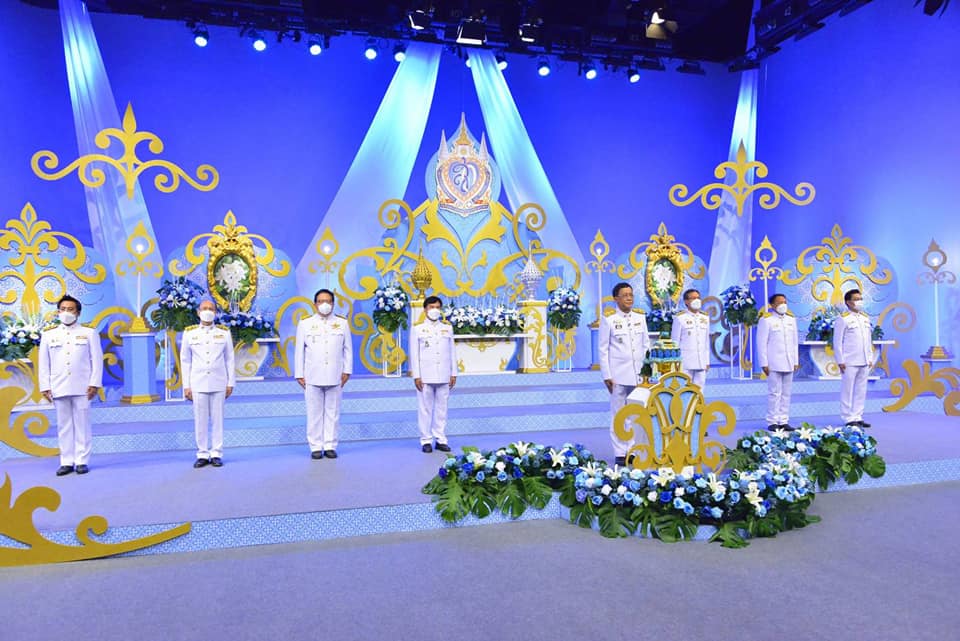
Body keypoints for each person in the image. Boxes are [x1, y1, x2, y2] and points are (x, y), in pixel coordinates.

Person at [38, 295, 103, 476]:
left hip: (83, 386)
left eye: (70, 309)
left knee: (82, 424)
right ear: (58, 311)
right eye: (63, 309)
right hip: (58, 386)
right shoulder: (48, 334)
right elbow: (44, 363)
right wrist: (45, 386)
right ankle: (66, 461)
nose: (66, 312)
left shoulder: (89, 333)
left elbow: (97, 360)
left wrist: (94, 383)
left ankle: (81, 460)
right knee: (63, 425)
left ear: (78, 313)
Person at [295, 289, 352, 459]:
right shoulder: (305, 323)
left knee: (333, 413)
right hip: (312, 376)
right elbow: (299, 351)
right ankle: (315, 446)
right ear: (315, 304)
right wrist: (299, 374)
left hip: (335, 375)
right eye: (320, 301)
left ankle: (330, 445)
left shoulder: (342, 323)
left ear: (333, 304)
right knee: (314, 413)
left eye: (328, 301)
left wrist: (347, 371)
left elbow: (347, 349)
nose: (324, 304)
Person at [598, 282, 651, 467]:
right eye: (625, 295)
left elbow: (646, 345)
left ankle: (634, 450)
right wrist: (607, 375)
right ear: (616, 298)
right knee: (619, 414)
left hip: (639, 375)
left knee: (637, 414)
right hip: (618, 375)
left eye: (631, 295)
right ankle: (620, 452)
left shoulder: (640, 317)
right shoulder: (609, 320)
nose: (629, 298)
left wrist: (648, 370)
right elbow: (603, 349)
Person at [181, 299, 235, 468]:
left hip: (219, 381)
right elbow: (185, 360)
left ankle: (216, 453)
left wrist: (230, 382)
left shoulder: (224, 333)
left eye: (211, 309)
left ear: (216, 313)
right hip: (198, 382)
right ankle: (202, 453)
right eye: (204, 308)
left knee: (218, 420)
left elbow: (230, 359)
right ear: (198, 312)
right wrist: (186, 385)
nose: (207, 311)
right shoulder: (189, 333)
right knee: (200, 420)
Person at [409, 295, 456, 453]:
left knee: (442, 409)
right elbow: (414, 354)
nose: (434, 310)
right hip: (425, 376)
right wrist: (417, 376)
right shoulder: (417, 329)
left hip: (444, 374)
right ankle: (426, 440)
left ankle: (440, 439)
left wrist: (453, 373)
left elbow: (452, 352)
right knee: (425, 409)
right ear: (425, 309)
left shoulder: (447, 328)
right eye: (431, 307)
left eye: (437, 307)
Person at [756, 293, 800, 431]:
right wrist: (764, 363)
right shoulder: (766, 320)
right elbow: (761, 343)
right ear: (772, 305)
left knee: (786, 393)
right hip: (773, 362)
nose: (783, 305)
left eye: (785, 302)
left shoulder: (791, 320)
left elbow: (794, 342)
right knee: (774, 393)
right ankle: (772, 421)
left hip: (789, 361)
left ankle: (783, 420)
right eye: (780, 302)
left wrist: (795, 360)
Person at [833, 289, 874, 428]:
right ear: (848, 302)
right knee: (848, 390)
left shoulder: (865, 318)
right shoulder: (843, 319)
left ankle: (858, 415)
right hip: (849, 360)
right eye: (856, 299)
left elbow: (868, 340)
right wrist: (840, 360)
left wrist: (870, 357)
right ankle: (848, 417)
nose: (859, 301)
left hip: (864, 360)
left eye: (860, 298)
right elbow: (837, 342)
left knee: (861, 390)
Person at [671, 288, 711, 390]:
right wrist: (676, 362)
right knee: (684, 390)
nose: (696, 300)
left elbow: (706, 342)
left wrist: (707, 361)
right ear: (686, 301)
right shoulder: (680, 318)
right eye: (693, 298)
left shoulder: (705, 318)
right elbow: (675, 342)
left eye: (698, 298)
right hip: (685, 362)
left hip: (701, 361)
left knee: (699, 390)